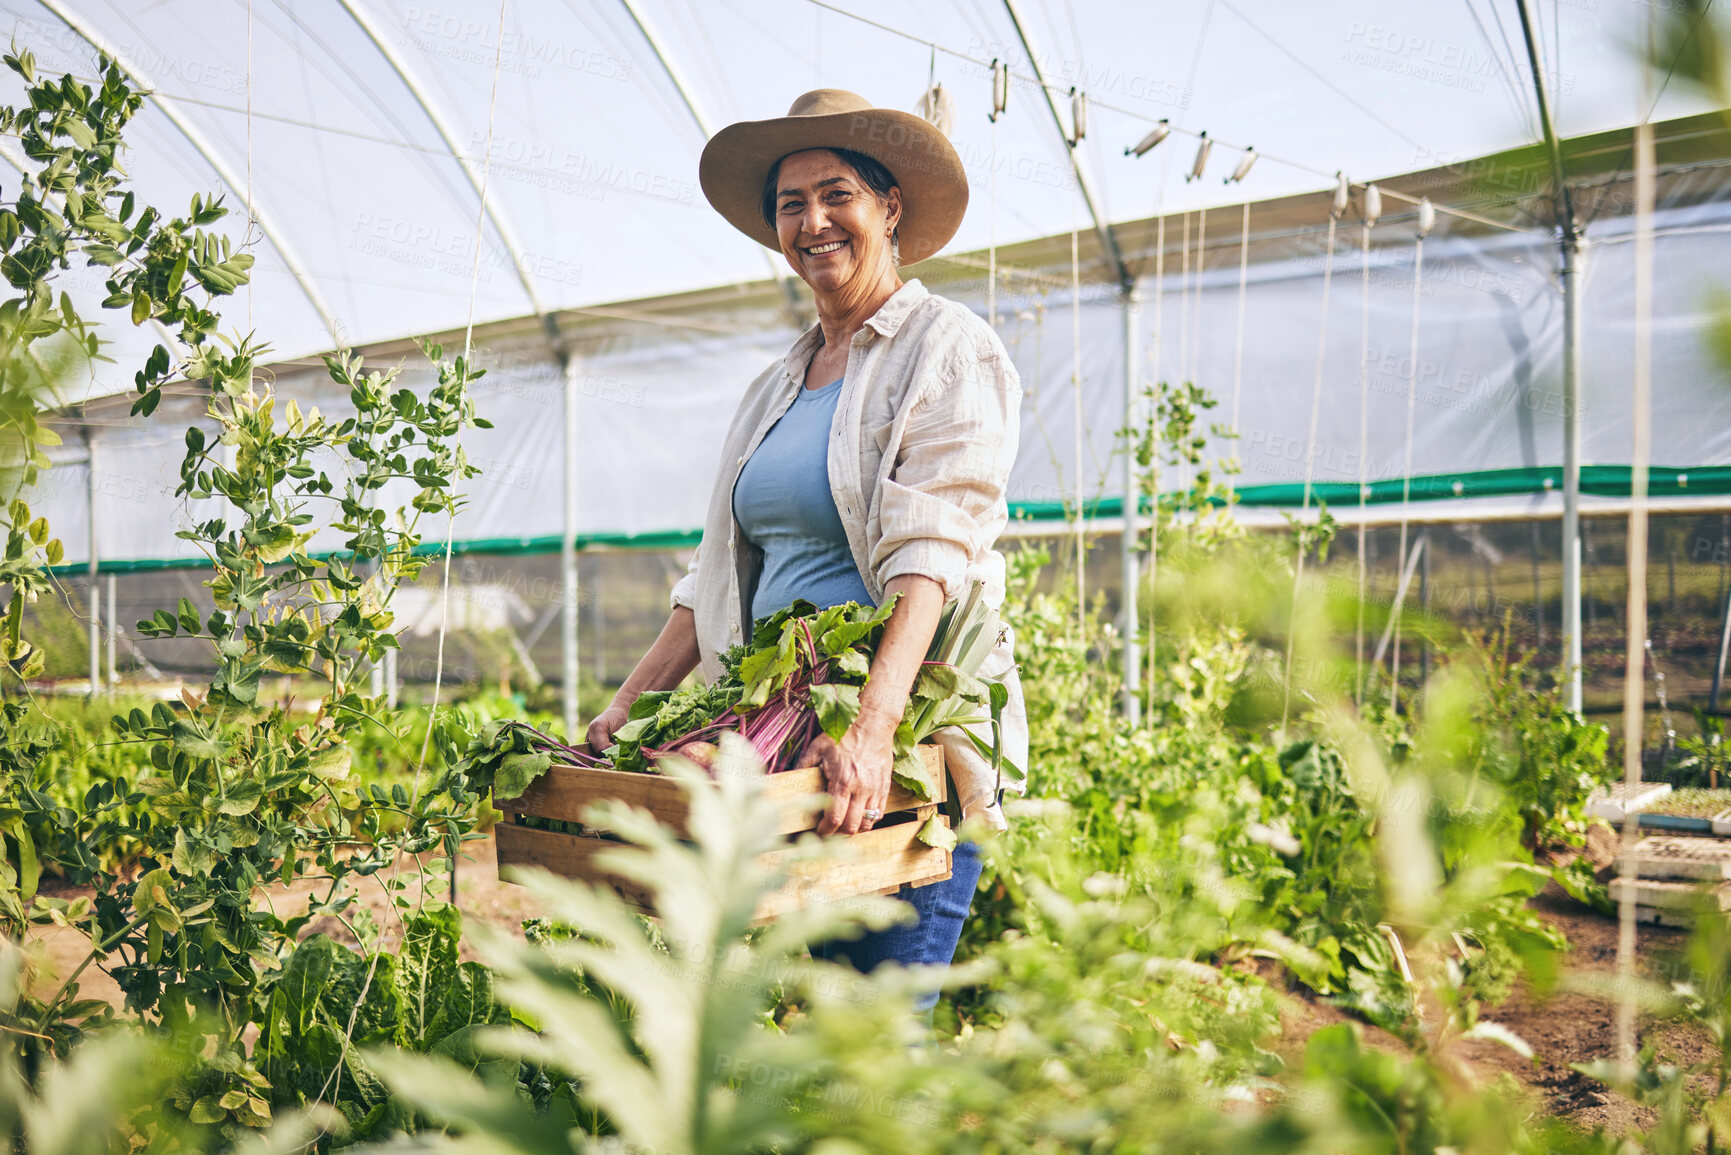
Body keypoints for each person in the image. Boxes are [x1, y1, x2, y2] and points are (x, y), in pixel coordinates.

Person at [586, 89, 1027, 1000]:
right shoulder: (776, 384)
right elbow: (714, 576)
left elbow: (930, 557)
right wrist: (630, 707)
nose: (813, 222)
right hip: (786, 755)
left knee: (877, 1046)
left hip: (896, 758)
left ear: (888, 206)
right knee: (812, 1043)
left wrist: (868, 727)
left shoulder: (945, 349)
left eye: (837, 195)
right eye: (790, 205)